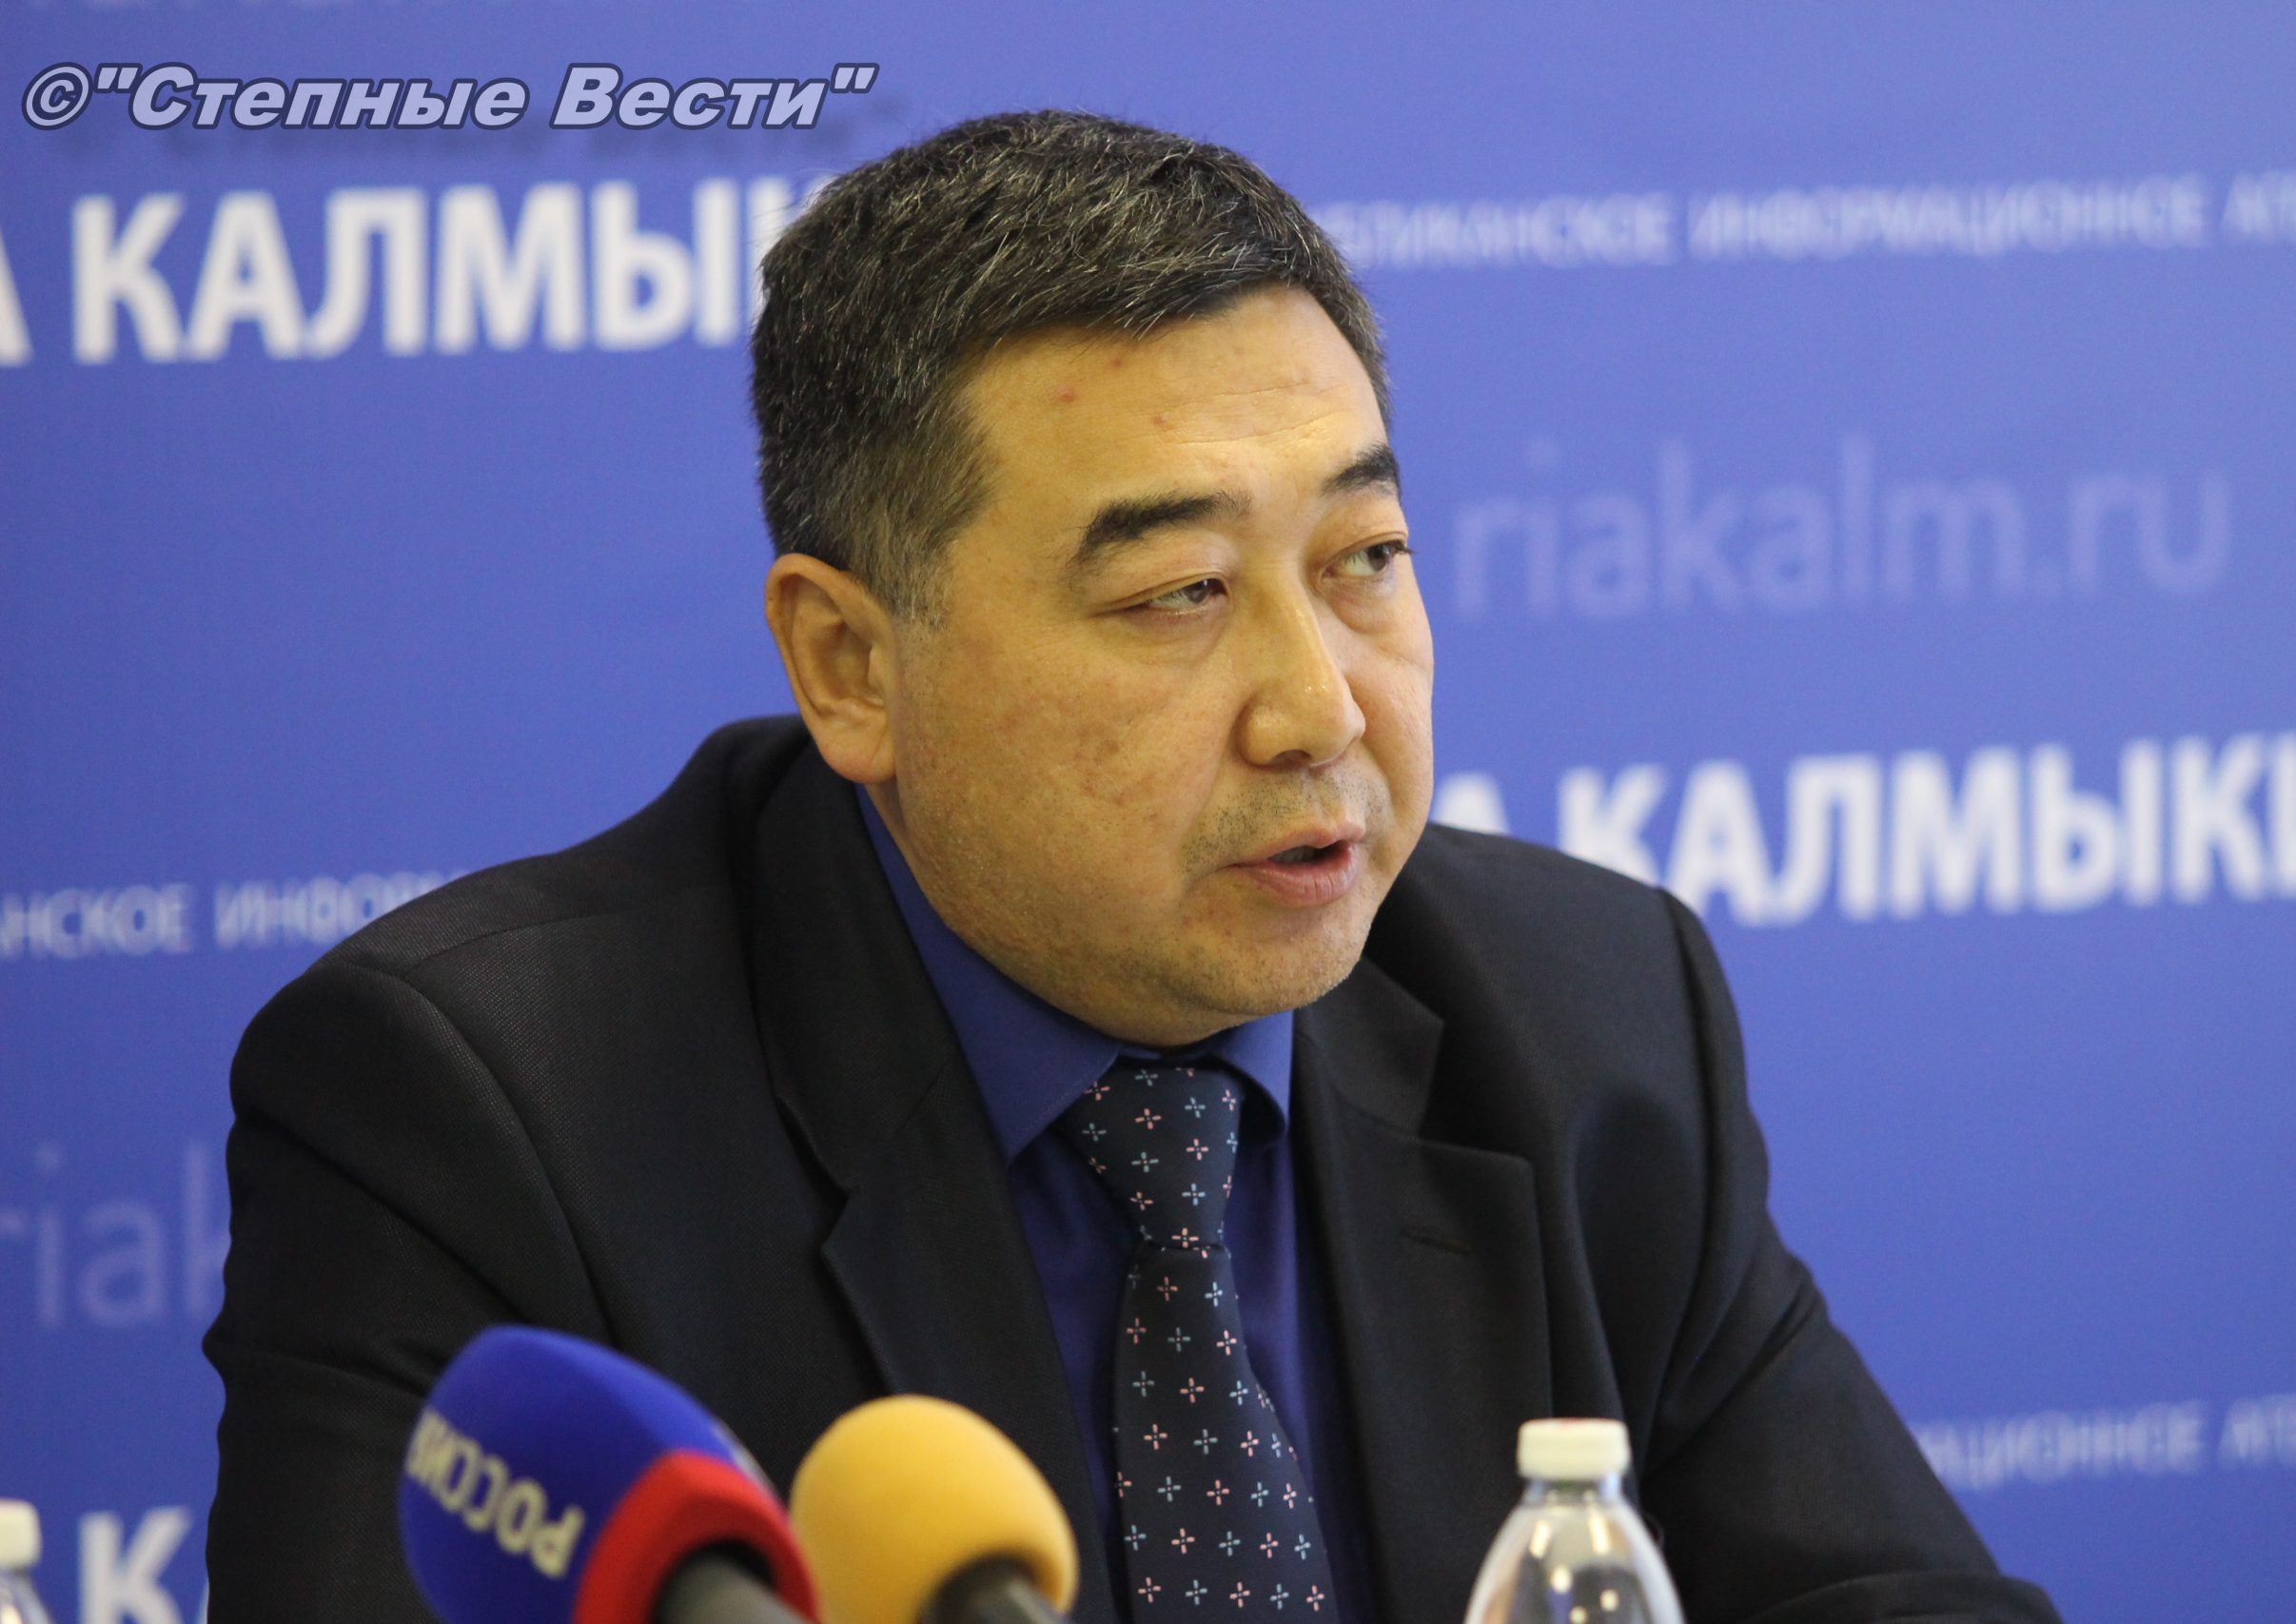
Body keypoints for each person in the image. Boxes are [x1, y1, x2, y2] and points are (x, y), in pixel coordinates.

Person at [203, 111, 2061, 1624]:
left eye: (1364, 558)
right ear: (851, 666)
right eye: (1178, 592)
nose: (1319, 708)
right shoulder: (486, 1114)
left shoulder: (1589, 1017)